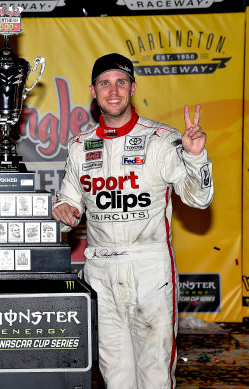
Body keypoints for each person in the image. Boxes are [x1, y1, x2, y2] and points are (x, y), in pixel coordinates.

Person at [51, 53, 213, 389]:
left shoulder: (161, 139)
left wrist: (196, 157)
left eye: (121, 82)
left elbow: (199, 198)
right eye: (104, 83)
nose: (113, 90)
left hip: (149, 267)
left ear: (133, 88)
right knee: (116, 375)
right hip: (100, 268)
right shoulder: (81, 146)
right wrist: (63, 211)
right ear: (93, 91)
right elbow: (69, 203)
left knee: (154, 373)